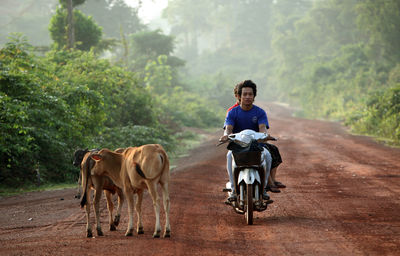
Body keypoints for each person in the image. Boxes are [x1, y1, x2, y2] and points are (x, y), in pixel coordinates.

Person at [220, 80, 275, 202]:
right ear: (239, 96)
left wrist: (265, 136)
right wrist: (226, 136)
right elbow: (228, 129)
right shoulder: (232, 112)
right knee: (229, 155)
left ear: (254, 96)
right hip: (238, 146)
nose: (247, 97)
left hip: (256, 145)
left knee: (267, 156)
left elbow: (262, 128)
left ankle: (264, 188)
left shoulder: (260, 112)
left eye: (250, 94)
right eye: (244, 94)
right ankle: (234, 190)